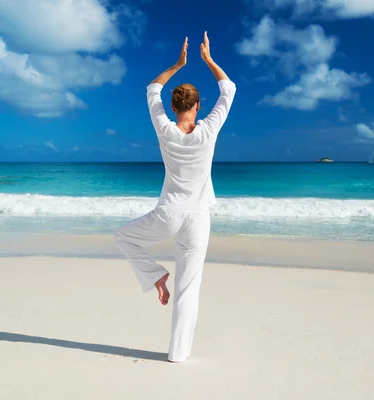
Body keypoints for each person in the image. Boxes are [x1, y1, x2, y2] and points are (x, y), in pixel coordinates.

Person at [114, 32, 236, 363]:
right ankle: (177, 355)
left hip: (167, 214)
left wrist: (178, 64)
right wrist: (208, 60)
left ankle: (155, 275)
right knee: (188, 290)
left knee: (124, 238)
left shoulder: (164, 130)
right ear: (198, 106)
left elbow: (152, 88)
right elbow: (229, 89)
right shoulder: (208, 130)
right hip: (197, 219)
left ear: (173, 106)